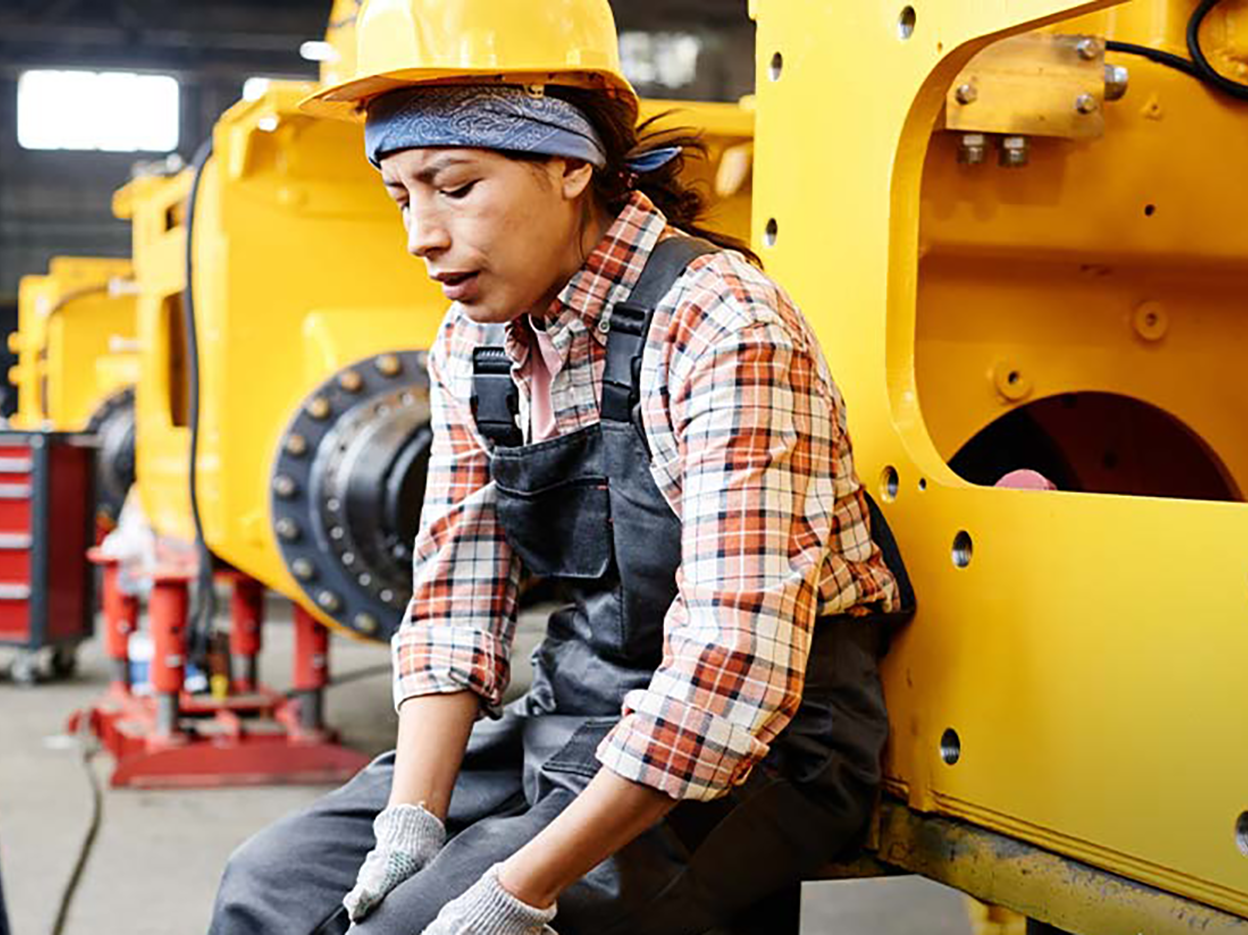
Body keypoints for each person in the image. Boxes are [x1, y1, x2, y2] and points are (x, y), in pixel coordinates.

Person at [209, 1, 914, 932]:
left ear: (572, 164)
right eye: (402, 196)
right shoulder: (474, 342)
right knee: (271, 885)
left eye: (455, 186)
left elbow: (732, 664)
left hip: (767, 742)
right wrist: (410, 823)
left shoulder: (721, 325)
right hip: (580, 710)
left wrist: (519, 888)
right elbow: (455, 600)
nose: (421, 234)